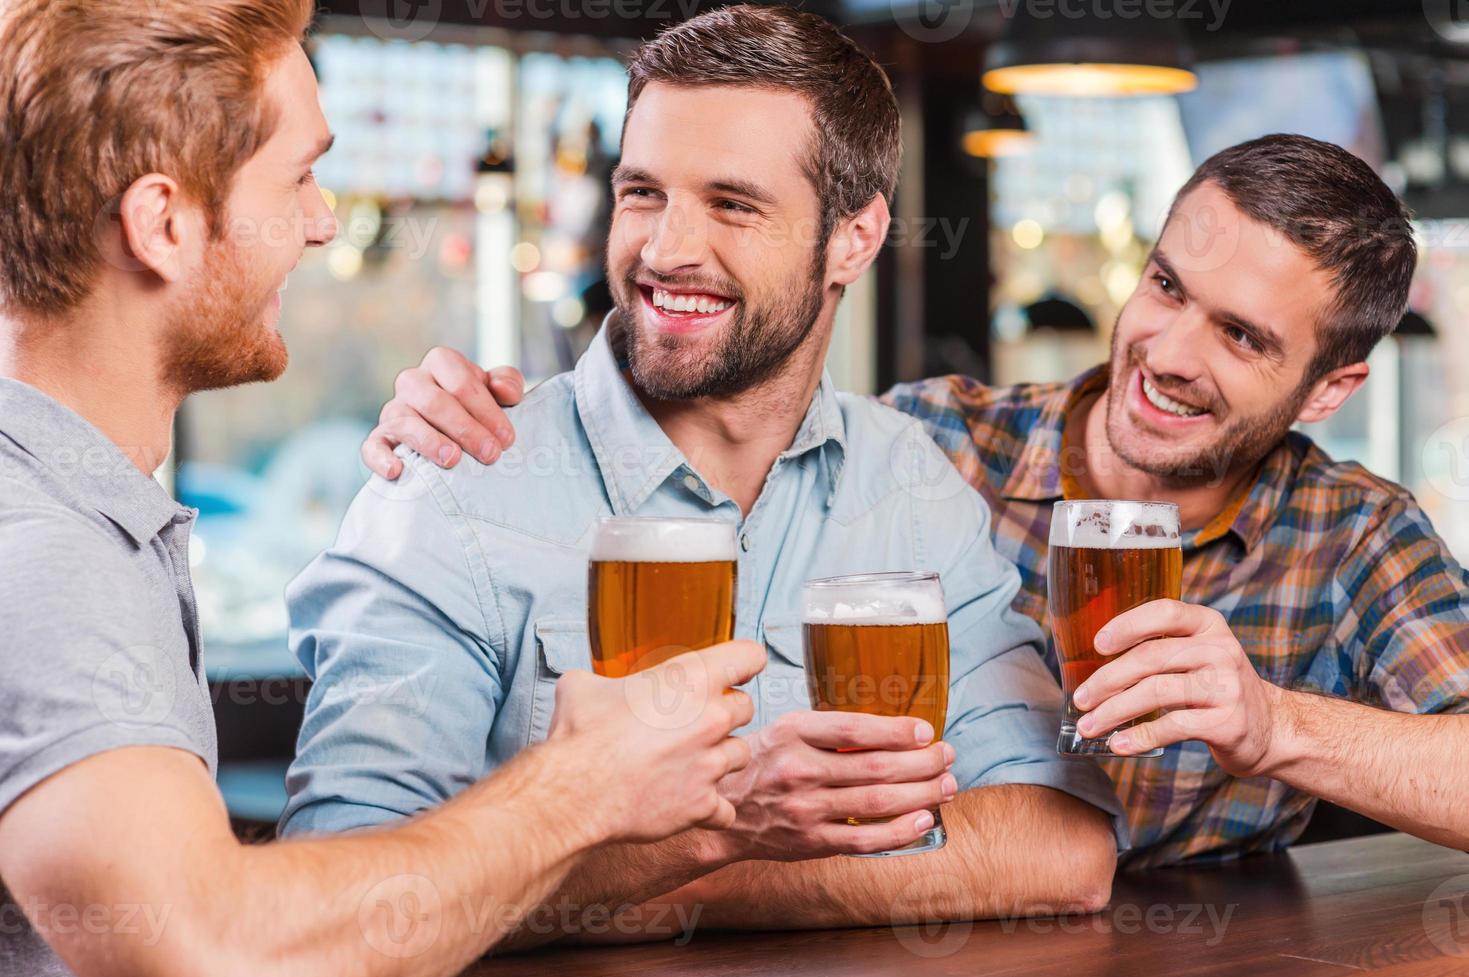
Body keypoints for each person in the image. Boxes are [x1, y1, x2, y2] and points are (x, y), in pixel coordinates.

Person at [381, 132, 1469, 869]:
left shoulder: (1351, 533)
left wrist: (1273, 725)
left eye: (1240, 335)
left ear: (1330, 388)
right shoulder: (934, 439)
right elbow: (693, 468)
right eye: (1166, 285)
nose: (1167, 350)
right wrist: (484, 429)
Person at [285, 3, 1125, 947]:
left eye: (732, 203)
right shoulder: (452, 481)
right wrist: (731, 840)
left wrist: (697, 864)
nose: (664, 250)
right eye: (642, 192)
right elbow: (344, 904)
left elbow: (1058, 847)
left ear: (854, 236)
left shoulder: (907, 482)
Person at [0, 3, 765, 976]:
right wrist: (578, 787)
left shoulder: (85, 514)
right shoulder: (45, 546)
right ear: (160, 224)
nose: (322, 223)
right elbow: (210, 943)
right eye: (301, 176)